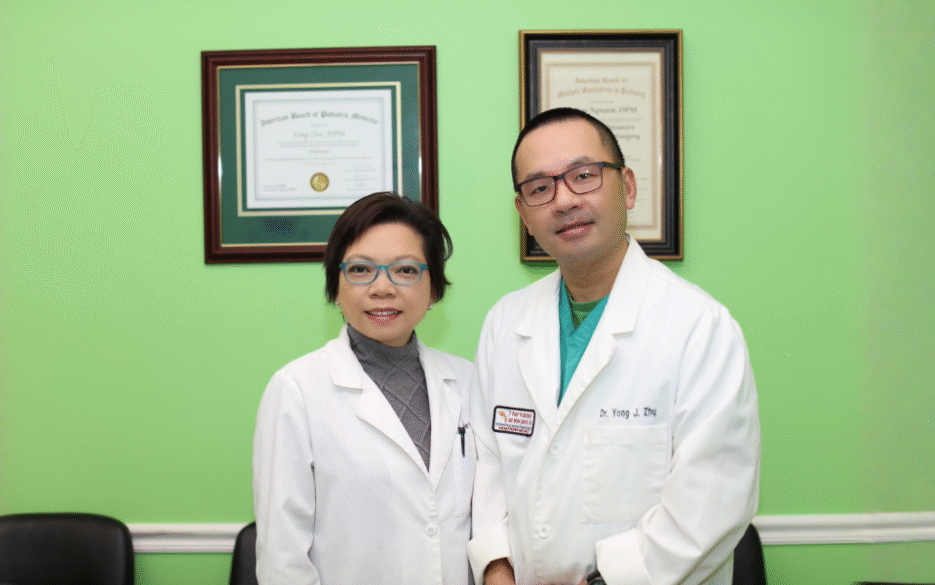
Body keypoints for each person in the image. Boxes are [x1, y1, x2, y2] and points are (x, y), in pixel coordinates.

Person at [467, 108, 760, 585]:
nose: (563, 200)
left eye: (583, 176)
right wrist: (497, 566)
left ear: (626, 186)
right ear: (523, 213)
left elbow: (712, 505)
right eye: (540, 188)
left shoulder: (699, 328)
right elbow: (488, 464)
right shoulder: (505, 322)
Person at [253, 192, 475, 585]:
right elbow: (283, 558)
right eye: (360, 270)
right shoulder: (297, 389)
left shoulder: (470, 381)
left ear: (435, 288)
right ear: (335, 288)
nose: (382, 288)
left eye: (405, 270)